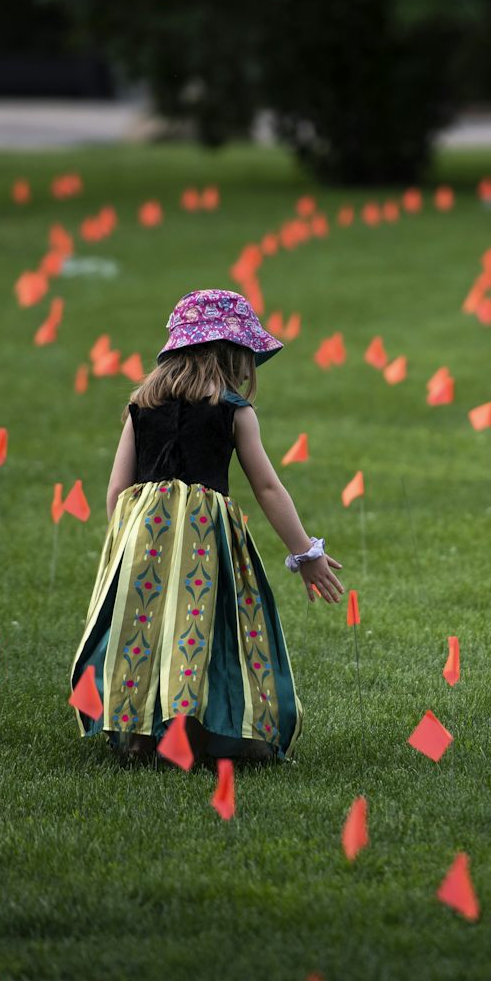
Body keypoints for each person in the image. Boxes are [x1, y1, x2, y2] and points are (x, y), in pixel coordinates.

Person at [69, 289, 342, 766]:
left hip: (144, 540)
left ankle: (139, 736)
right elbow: (268, 489)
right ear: (234, 354)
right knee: (204, 633)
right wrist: (306, 553)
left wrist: (126, 542)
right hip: (203, 543)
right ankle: (213, 733)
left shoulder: (141, 407)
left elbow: (116, 490)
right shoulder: (234, 409)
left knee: (145, 633)